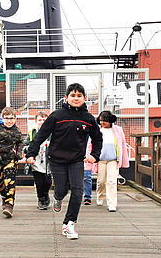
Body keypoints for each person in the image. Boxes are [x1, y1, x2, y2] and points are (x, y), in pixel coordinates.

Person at [26, 83, 102, 240]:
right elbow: (40, 135)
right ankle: (57, 198)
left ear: (84, 98)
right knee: (61, 190)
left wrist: (94, 155)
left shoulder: (88, 119)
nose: (76, 98)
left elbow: (97, 138)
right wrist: (31, 153)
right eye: (72, 96)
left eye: (79, 96)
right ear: (66, 98)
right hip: (57, 159)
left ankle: (69, 223)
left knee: (78, 190)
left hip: (76, 160)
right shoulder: (57, 116)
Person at [0, 107, 24, 218]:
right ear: (2, 118)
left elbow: (20, 142)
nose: (9, 121)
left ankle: (9, 205)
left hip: (10, 160)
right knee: (0, 182)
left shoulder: (17, 131)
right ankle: (4, 197)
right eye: (7, 118)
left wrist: (19, 153)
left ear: (15, 119)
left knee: (10, 182)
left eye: (12, 118)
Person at [92, 110, 129, 212]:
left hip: (113, 159)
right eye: (101, 121)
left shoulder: (118, 130)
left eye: (105, 121)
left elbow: (122, 144)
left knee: (112, 181)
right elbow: (90, 144)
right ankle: (100, 195)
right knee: (101, 181)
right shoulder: (97, 130)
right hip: (100, 160)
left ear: (110, 121)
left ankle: (112, 203)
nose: (102, 123)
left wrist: (123, 159)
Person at [24, 111, 52, 210]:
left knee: (48, 182)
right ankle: (41, 199)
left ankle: (46, 193)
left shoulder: (52, 132)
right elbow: (25, 144)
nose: (42, 122)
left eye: (44, 120)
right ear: (36, 121)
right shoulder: (32, 132)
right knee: (39, 182)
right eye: (40, 120)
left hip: (48, 162)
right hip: (36, 161)